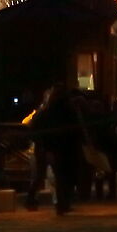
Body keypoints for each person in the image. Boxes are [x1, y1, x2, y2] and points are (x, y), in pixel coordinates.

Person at [29, 84, 89, 216]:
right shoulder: (70, 111)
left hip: (50, 147)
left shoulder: (46, 112)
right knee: (65, 176)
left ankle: (42, 200)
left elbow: (34, 129)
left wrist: (43, 143)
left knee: (49, 175)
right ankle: (63, 203)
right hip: (66, 148)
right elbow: (78, 128)